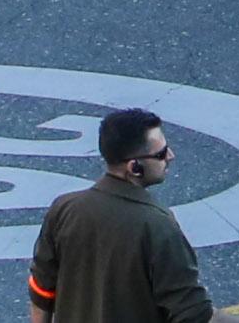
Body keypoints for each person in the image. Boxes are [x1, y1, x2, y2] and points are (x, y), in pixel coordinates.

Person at [26, 106, 211, 323]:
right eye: (160, 154)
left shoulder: (64, 209)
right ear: (135, 167)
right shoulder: (158, 225)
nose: (170, 156)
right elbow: (192, 313)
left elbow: (41, 291)